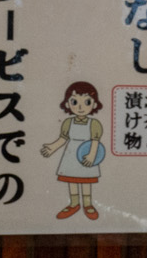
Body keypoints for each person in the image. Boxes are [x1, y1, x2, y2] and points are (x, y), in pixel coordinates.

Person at [40, 80, 106, 221]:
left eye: (86, 102)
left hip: (86, 154)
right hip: (70, 155)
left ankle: (88, 204)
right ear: (67, 103)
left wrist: (91, 156)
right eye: (75, 102)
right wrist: (52, 147)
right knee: (72, 181)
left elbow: (95, 141)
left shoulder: (94, 124)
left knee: (86, 181)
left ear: (94, 104)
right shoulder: (67, 122)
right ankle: (74, 203)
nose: (80, 107)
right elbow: (63, 139)